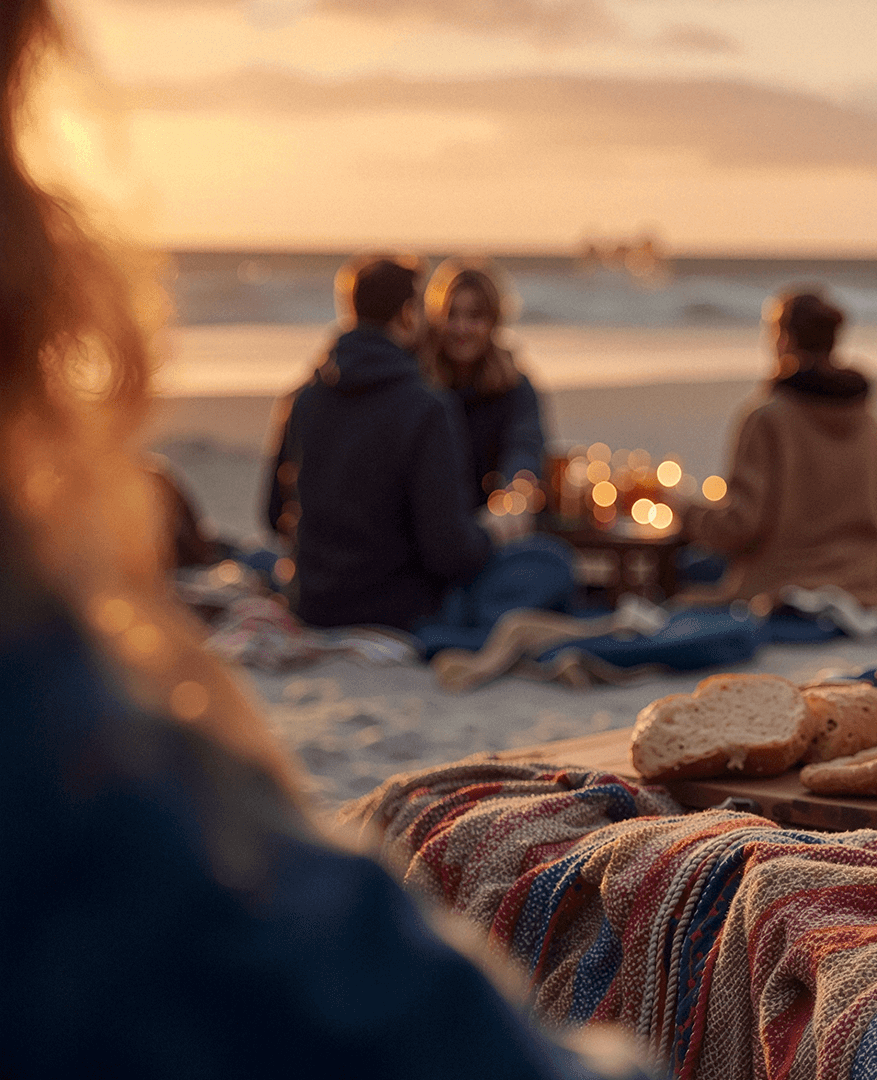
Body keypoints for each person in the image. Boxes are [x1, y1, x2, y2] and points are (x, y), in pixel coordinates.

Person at [0, 3, 643, 1075]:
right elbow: (447, 544)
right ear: (422, 317)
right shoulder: (75, 757)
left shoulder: (315, 389)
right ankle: (511, 629)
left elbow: (270, 512)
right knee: (536, 566)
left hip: (313, 588)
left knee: (525, 562)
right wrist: (490, 532)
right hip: (404, 593)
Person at [263, 255, 497, 630]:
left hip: (313, 605)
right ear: (407, 315)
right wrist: (489, 536)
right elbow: (449, 555)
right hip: (400, 611)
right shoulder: (427, 407)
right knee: (545, 562)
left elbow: (273, 515)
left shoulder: (303, 399)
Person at [681, 289, 877, 624]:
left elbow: (740, 526)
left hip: (779, 586)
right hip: (863, 586)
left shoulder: (766, 417)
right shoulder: (872, 422)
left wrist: (684, 512)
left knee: (687, 568)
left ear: (783, 339)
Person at [420, 259, 547, 510]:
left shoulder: (513, 386)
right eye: (451, 315)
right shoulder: (419, 382)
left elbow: (525, 446)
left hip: (493, 519)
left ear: (494, 320)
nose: (462, 328)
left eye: (475, 316)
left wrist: (514, 494)